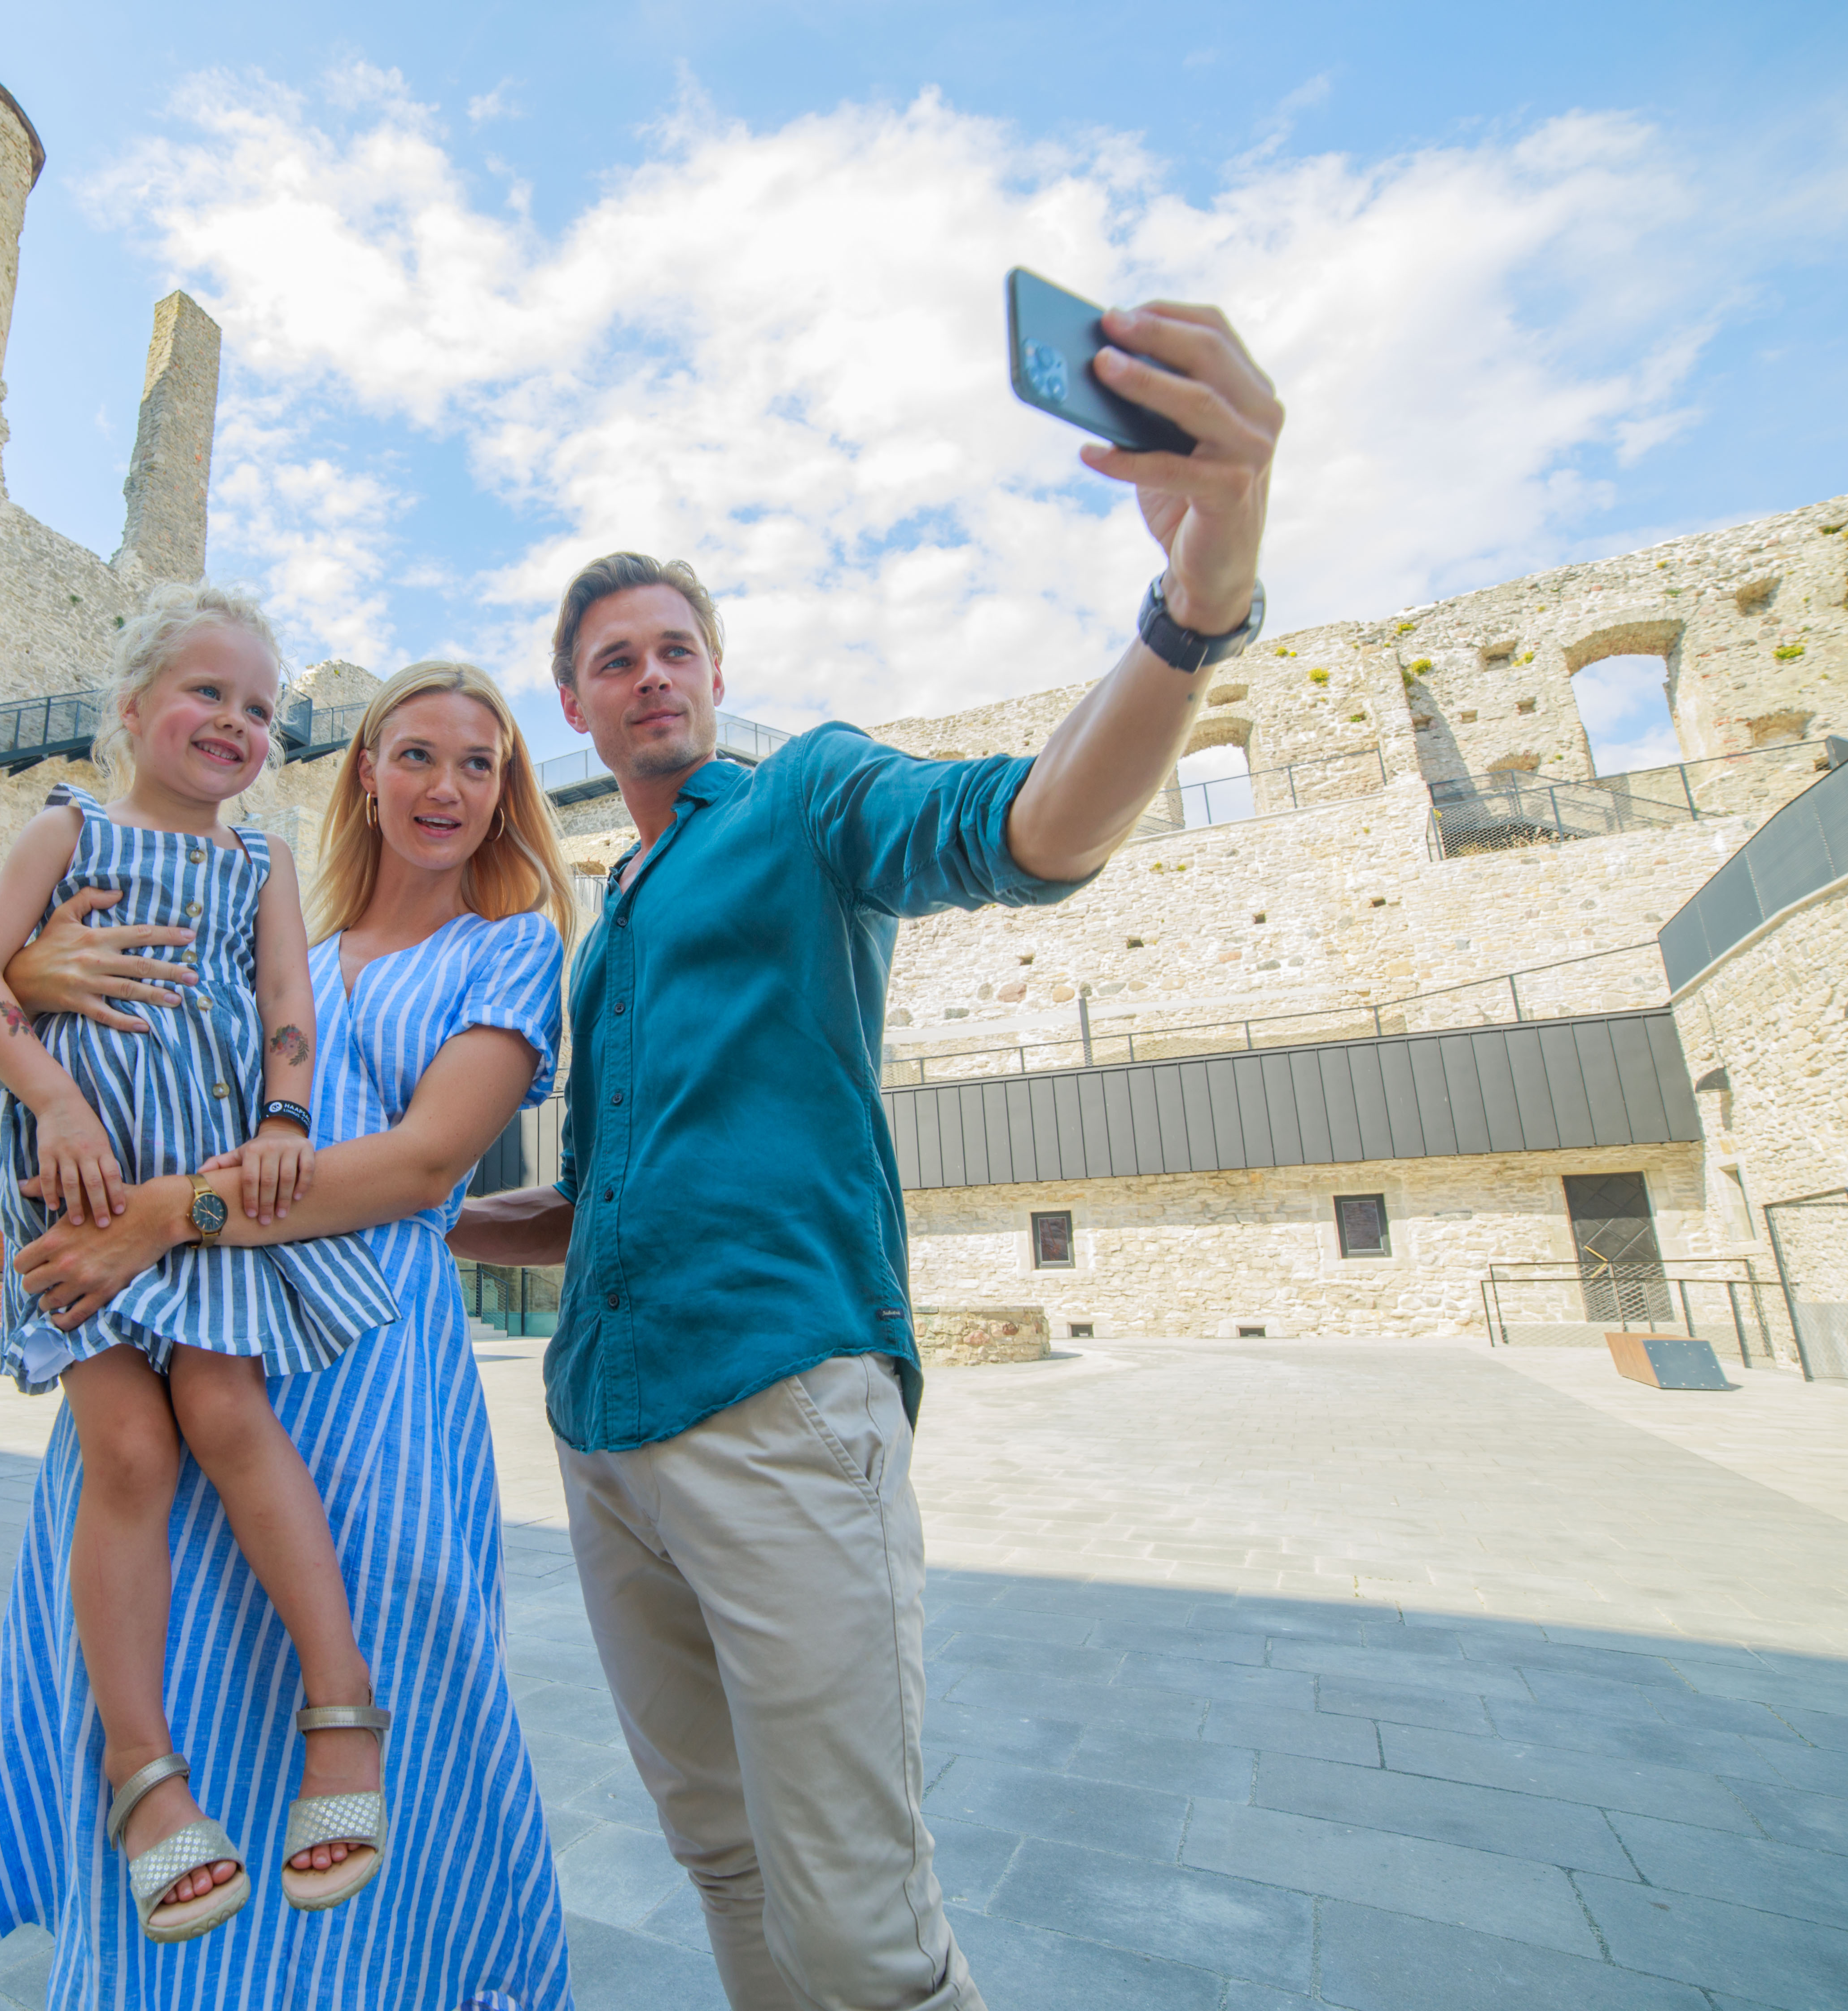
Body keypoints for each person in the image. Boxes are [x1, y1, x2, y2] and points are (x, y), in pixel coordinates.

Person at [448, 301, 1285, 2010]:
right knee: (724, 1865)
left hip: (776, 1411)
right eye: (617, 659)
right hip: (602, 1436)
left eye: (678, 645)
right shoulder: (605, 924)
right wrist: (408, 1216)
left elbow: (1032, 831)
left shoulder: (810, 801)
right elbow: (600, 1207)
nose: (653, 674)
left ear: (719, 675)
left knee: (861, 1934)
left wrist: (1194, 611)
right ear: (576, 707)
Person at [0, 659, 583, 2009]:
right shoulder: (263, 907)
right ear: (362, 768)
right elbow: (88, 1020)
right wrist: (27, 965)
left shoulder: (510, 943)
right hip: (186, 1335)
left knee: (408, 1653)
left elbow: (423, 1172)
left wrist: (161, 1217)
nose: (446, 788)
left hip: (370, 1376)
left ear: (506, 794)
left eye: (479, 766)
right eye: (416, 755)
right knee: (178, 1668)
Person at [0, 583, 402, 1944]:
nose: (237, 723)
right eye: (209, 694)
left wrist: (284, 1120)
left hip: (193, 1182)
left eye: (260, 709)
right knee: (129, 1459)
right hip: (76, 1180)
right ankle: (139, 1772)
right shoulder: (62, 828)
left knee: (225, 1409)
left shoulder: (261, 866)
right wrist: (54, 1096)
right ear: (133, 710)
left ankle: (343, 1705)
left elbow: (287, 1009)